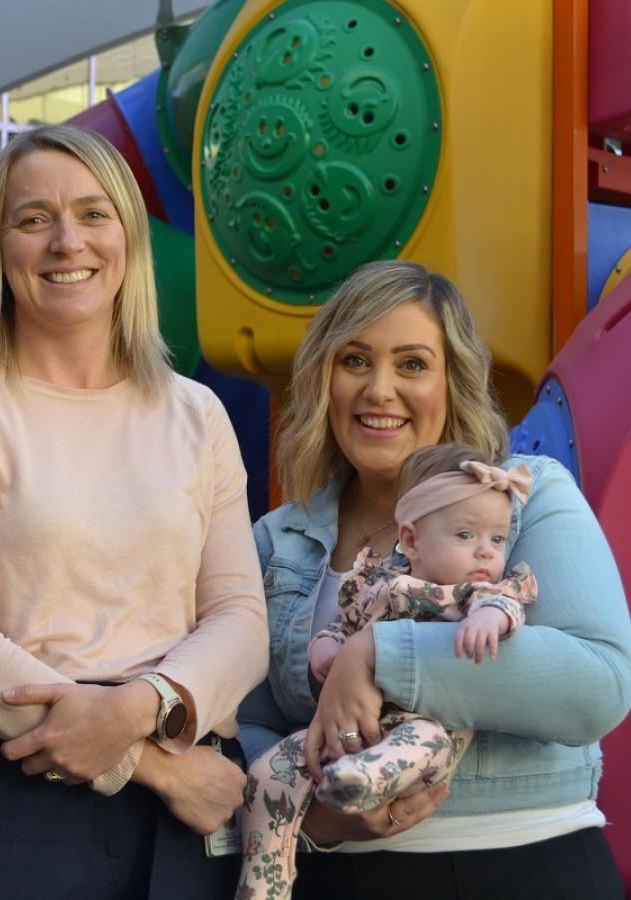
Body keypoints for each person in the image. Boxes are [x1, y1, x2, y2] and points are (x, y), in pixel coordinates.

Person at [0, 123, 269, 898]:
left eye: (94, 214)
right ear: (0, 249)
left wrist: (145, 707)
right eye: (35, 219)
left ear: (128, 236)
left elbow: (240, 617)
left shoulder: (196, 414)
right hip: (6, 805)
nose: (68, 242)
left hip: (183, 814)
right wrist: (153, 765)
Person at [239, 259, 631, 900]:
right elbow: (247, 723)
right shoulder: (277, 539)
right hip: (335, 874)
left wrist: (376, 654)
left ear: (454, 382)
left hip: (525, 863)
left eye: (413, 364)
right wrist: (319, 815)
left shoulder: (526, 494)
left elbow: (598, 683)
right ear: (324, 380)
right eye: (356, 360)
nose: (379, 390)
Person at [237, 444, 537, 899]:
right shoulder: (376, 584)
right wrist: (325, 647)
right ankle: (263, 883)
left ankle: (364, 780)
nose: (485, 553)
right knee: (267, 771)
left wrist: (488, 618)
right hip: (340, 733)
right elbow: (341, 627)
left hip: (422, 731)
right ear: (412, 540)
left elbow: (504, 604)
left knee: (427, 743)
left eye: (496, 540)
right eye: (464, 536)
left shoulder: (472, 595)